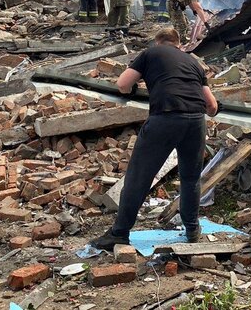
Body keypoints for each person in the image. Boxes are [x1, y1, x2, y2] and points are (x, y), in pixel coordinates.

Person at [89, 27, 219, 251]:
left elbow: (122, 84)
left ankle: (119, 233)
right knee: (190, 179)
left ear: (158, 42)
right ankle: (192, 229)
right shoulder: (193, 62)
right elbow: (212, 106)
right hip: (196, 121)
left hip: (165, 118)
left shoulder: (151, 53)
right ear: (178, 44)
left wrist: (135, 89)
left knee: (138, 177)